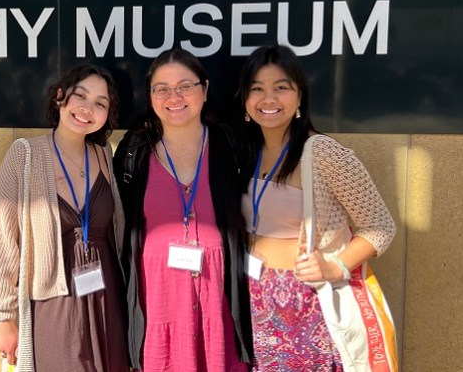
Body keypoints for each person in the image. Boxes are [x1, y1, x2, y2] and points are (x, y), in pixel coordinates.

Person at [235, 44, 396, 370]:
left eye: (281, 88)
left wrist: (336, 265)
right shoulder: (245, 152)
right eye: (257, 89)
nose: (269, 99)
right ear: (245, 99)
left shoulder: (321, 152)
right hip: (253, 302)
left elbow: (380, 225)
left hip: (307, 304)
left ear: (299, 97)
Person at [0, 64, 129, 372]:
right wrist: (3, 318)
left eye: (100, 103)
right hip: (54, 305)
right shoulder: (26, 155)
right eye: (80, 96)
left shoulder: (105, 156)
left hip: (108, 300)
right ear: (60, 97)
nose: (88, 109)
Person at [113, 49, 253, 371]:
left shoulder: (232, 145)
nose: (173, 96)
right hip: (159, 303)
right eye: (162, 88)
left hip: (219, 304)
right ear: (150, 97)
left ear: (204, 90)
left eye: (184, 86)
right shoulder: (135, 151)